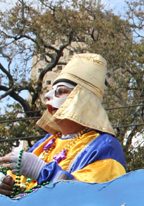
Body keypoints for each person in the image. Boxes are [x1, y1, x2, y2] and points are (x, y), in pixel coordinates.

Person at [0, 53, 126, 197]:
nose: (48, 96)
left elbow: (90, 195)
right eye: (51, 91)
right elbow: (17, 184)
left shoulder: (105, 146)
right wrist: (5, 183)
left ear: (83, 99)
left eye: (60, 91)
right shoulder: (45, 143)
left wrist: (42, 171)